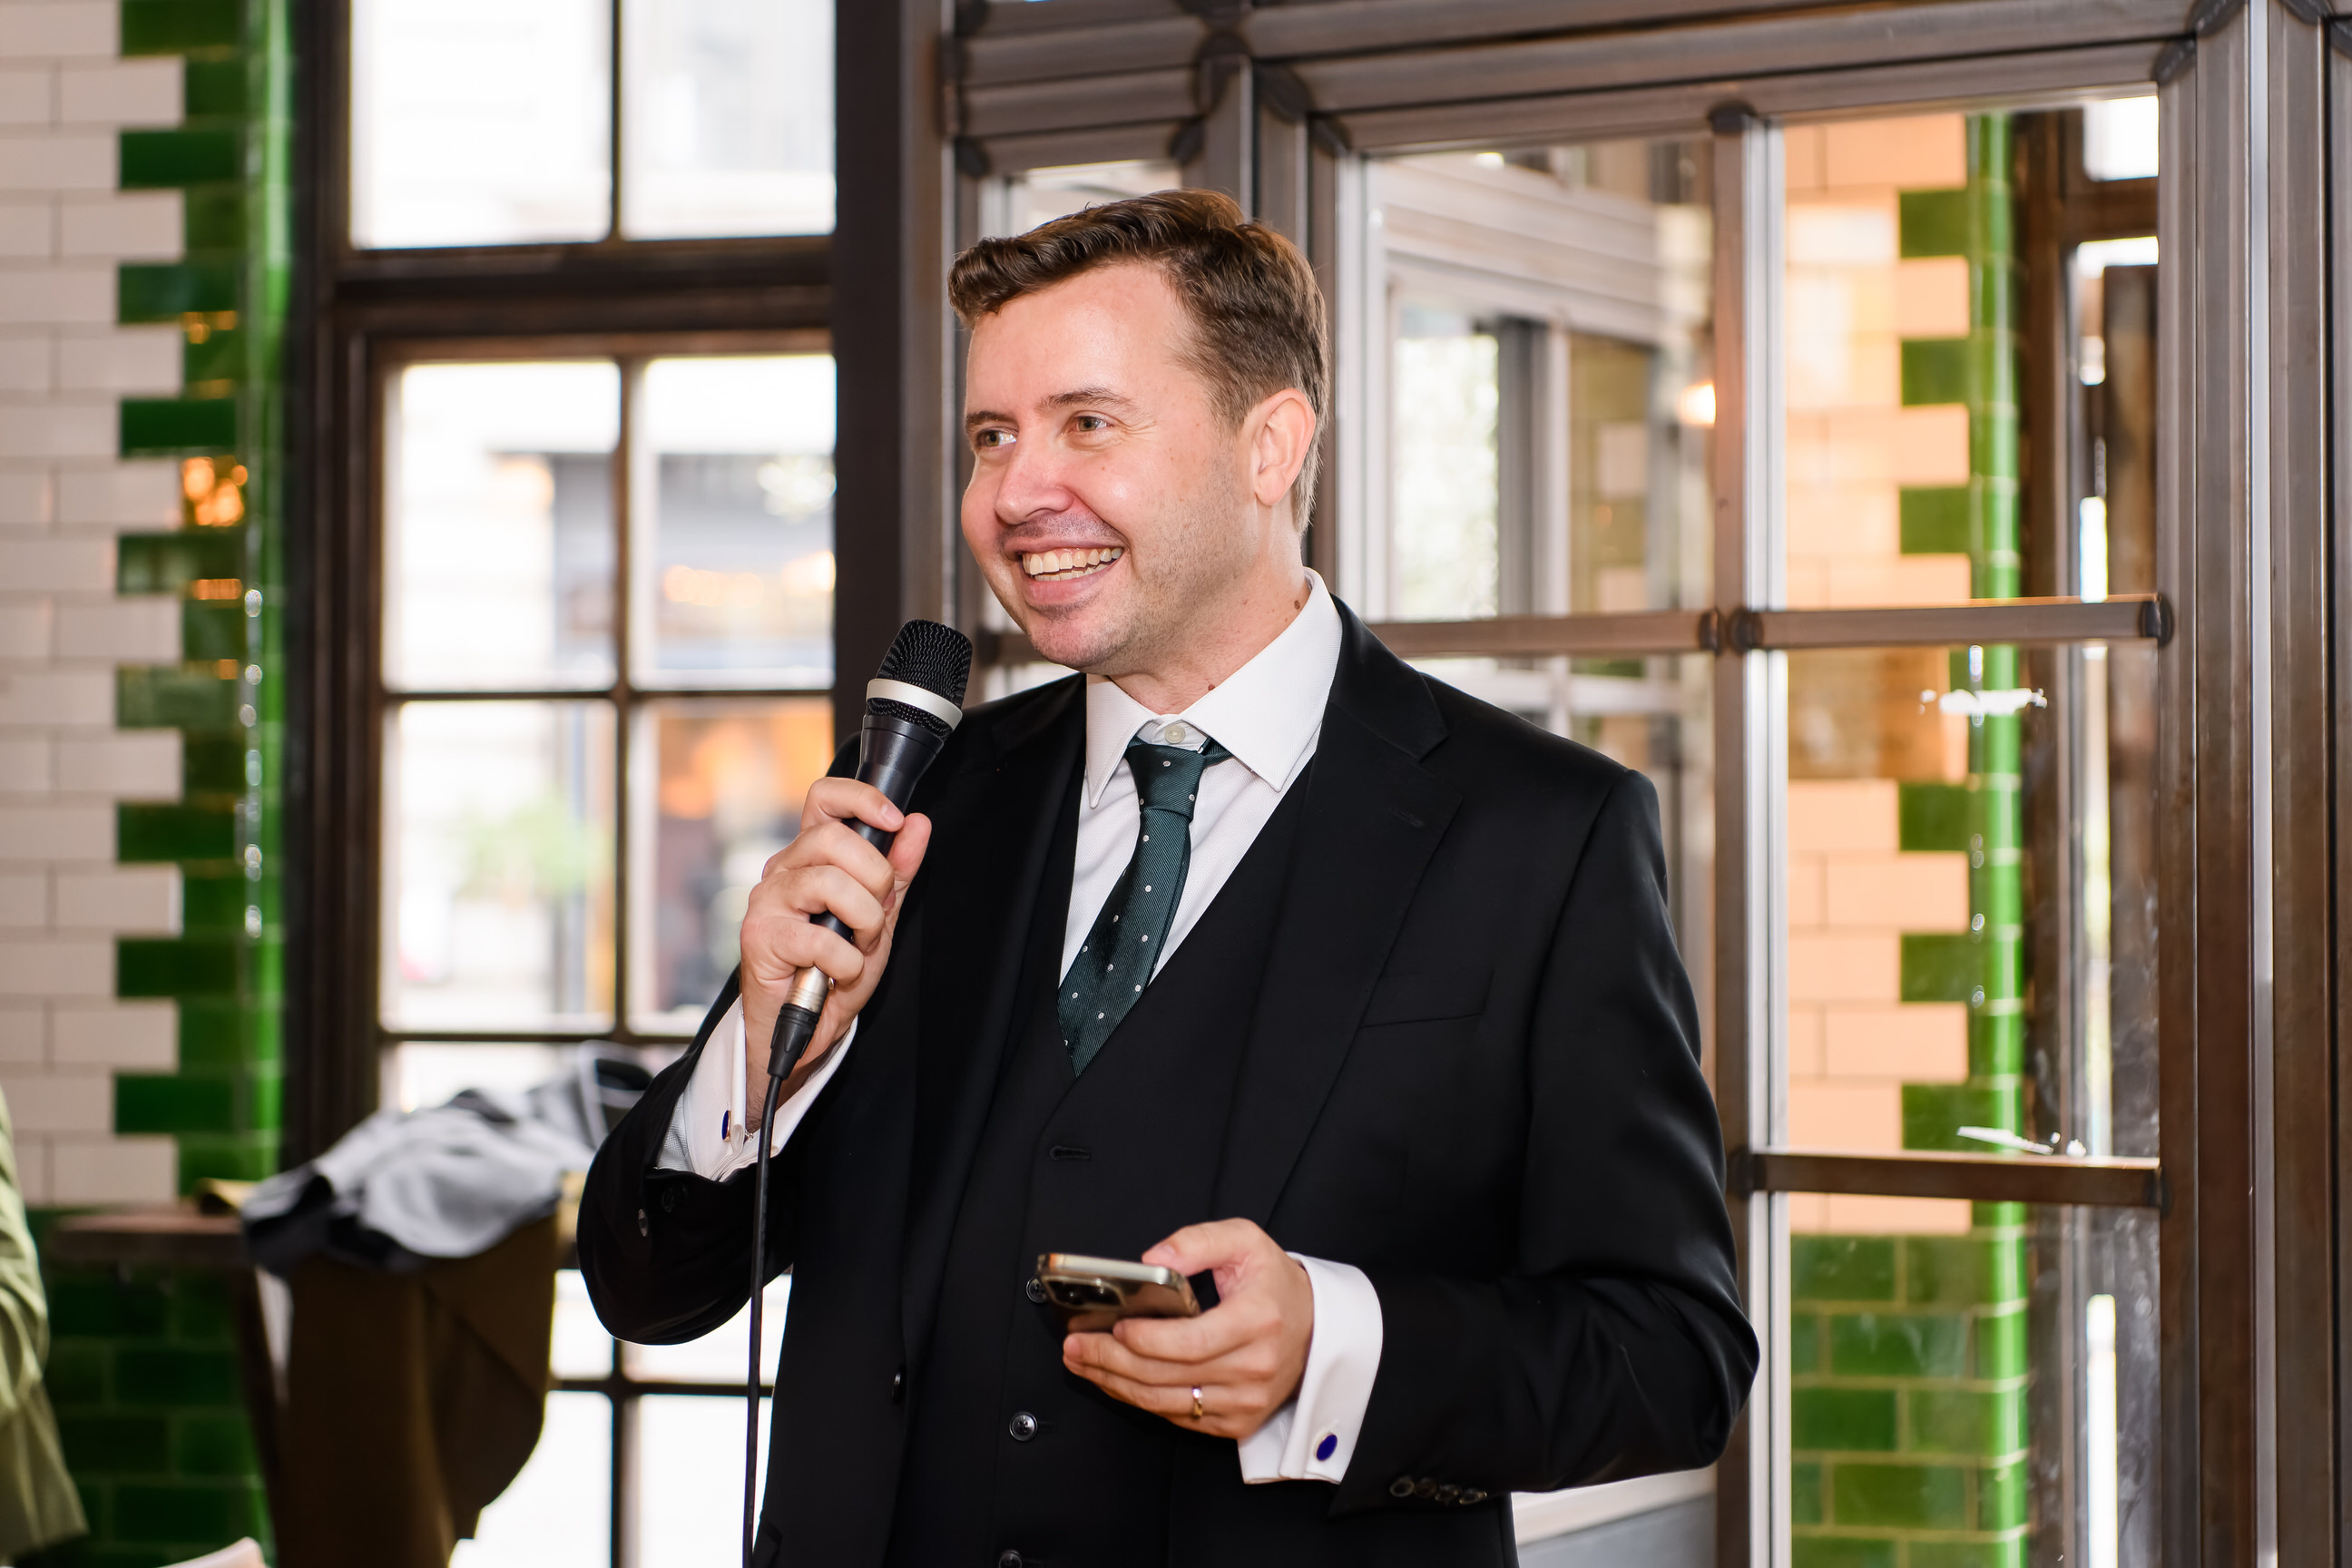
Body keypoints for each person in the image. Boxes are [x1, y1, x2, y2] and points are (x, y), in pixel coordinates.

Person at [580, 189, 1755, 1567]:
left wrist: (1337, 1345)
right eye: (992, 437)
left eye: (1088, 422)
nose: (1016, 495)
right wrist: (758, 1057)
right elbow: (649, 1289)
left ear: (1271, 446)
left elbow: (1673, 1360)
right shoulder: (917, 795)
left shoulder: (1542, 835)